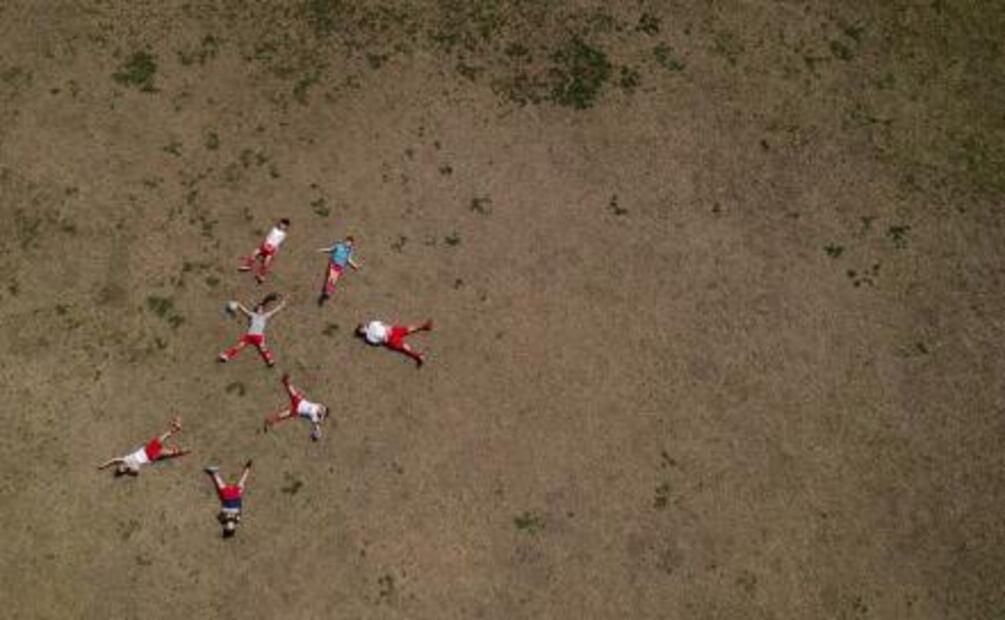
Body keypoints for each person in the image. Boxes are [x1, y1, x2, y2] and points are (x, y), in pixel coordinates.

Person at [97, 417, 189, 476]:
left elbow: (114, 460)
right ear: (124, 471)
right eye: (123, 469)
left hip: (146, 449)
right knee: (169, 452)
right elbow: (137, 472)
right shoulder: (132, 469)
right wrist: (130, 469)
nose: (123, 467)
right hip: (149, 456)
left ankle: (176, 428)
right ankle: (184, 450)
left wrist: (104, 465)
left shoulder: (125, 459)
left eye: (121, 467)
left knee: (162, 437)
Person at [218, 293, 285, 367]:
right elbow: (244, 310)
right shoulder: (252, 315)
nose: (260, 309)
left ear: (262, 310)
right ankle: (226, 356)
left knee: (263, 349)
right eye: (259, 308)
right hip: (250, 336)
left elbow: (274, 311)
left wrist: (281, 306)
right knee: (239, 347)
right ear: (256, 310)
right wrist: (238, 304)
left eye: (261, 308)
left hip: (257, 336)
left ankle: (270, 360)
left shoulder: (265, 316)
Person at [264, 374, 329, 441]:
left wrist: (316, 433)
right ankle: (285, 380)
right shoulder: (319, 407)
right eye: (322, 409)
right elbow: (319, 420)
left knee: (283, 415)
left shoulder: (315, 418)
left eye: (322, 411)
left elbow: (316, 425)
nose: (321, 409)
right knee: (291, 390)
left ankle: (270, 420)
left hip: (297, 410)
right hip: (299, 401)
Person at [205, 460, 252, 538]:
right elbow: (220, 516)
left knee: (241, 482)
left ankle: (247, 468)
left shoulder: (235, 520)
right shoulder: (227, 522)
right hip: (230, 500)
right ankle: (214, 473)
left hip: (234, 499)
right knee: (223, 485)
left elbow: (238, 511)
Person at [356, 319, 433, 367]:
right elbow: (378, 342)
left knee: (407, 329)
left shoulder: (372, 324)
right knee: (404, 346)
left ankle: (424, 327)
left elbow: (382, 324)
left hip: (392, 330)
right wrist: (385, 336)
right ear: (362, 333)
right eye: (361, 330)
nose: (363, 329)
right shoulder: (369, 337)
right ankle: (418, 356)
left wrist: (388, 328)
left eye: (362, 328)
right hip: (389, 339)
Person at [239, 218, 290, 283]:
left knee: (266, 262)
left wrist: (275, 251)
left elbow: (279, 243)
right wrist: (264, 243)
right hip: (265, 245)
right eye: (281, 224)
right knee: (254, 253)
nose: (282, 226)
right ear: (279, 223)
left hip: (272, 249)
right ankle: (248, 265)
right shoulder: (274, 229)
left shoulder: (283, 234)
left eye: (284, 225)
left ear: (286, 227)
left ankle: (261, 275)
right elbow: (268, 236)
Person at [316, 235, 362, 305]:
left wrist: (355, 266)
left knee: (334, 280)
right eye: (347, 242)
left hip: (339, 267)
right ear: (345, 241)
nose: (348, 244)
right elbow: (330, 250)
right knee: (330, 278)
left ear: (351, 244)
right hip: (333, 264)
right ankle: (327, 291)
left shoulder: (349, 251)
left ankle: (329, 291)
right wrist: (322, 250)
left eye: (350, 243)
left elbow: (349, 260)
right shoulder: (338, 246)